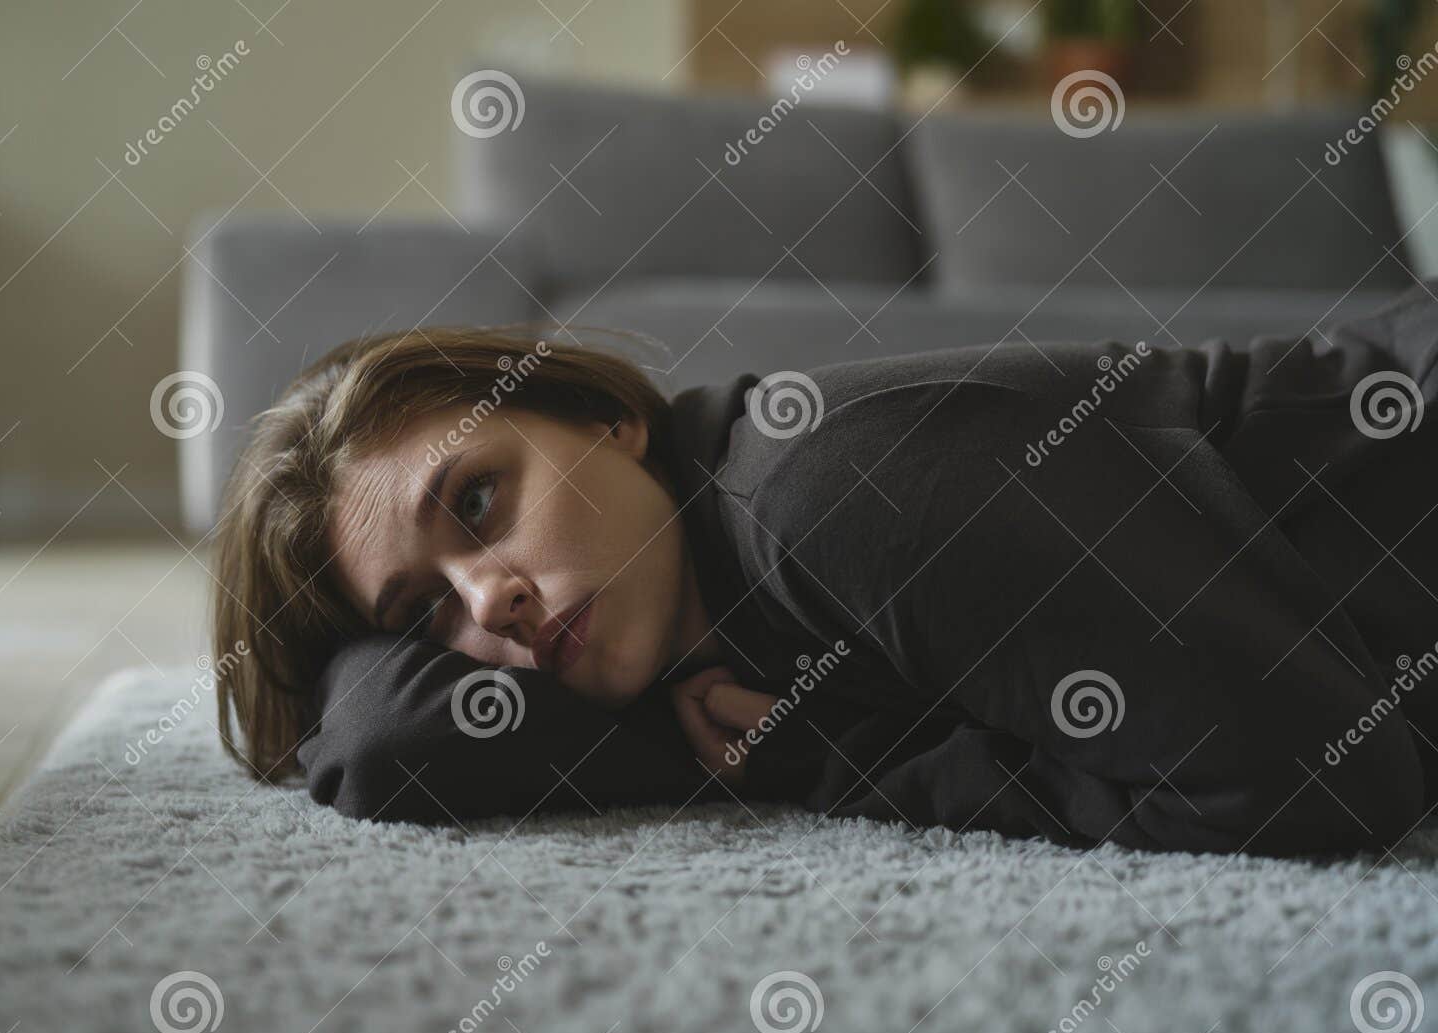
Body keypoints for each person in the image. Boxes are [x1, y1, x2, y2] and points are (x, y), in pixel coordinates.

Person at [211, 281, 1438, 857]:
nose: (493, 602)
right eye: (421, 614)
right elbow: (372, 738)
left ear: (603, 415)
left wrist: (847, 762)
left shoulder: (828, 492)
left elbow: (1324, 778)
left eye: (479, 500)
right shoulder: (672, 630)